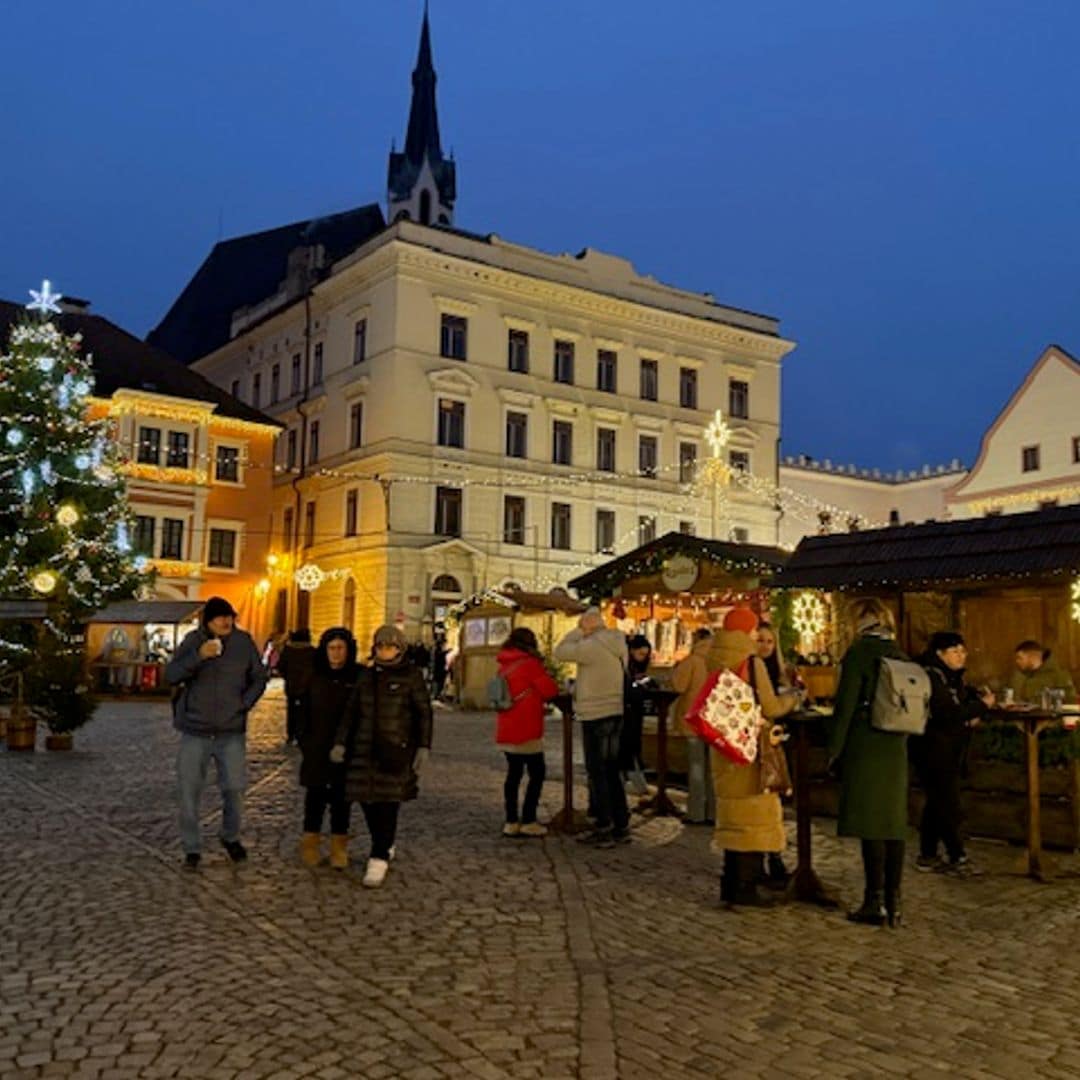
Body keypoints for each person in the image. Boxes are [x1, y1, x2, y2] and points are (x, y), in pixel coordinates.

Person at [165, 596, 268, 870]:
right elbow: (171, 674)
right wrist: (199, 657)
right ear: (207, 621)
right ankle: (192, 848)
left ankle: (230, 836)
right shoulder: (193, 642)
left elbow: (259, 676)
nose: (226, 622)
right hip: (195, 731)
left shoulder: (243, 642)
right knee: (188, 790)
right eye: (220, 618)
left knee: (235, 788)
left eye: (229, 617)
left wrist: (244, 705)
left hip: (230, 731)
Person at [706, 608, 799, 907]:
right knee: (753, 817)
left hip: (725, 746)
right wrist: (793, 699)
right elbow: (770, 706)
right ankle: (748, 886)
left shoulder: (715, 657)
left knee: (734, 816)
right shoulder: (750, 661)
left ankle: (730, 883)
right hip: (750, 749)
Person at [827, 598, 910, 928]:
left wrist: (834, 749)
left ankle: (874, 900)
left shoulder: (860, 654)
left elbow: (845, 705)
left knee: (871, 824)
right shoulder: (900, 654)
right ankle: (895, 900)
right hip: (896, 747)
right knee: (893, 824)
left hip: (867, 744)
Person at [331, 625, 433, 888]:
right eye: (380, 646)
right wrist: (341, 742)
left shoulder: (411, 676)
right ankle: (384, 842)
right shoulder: (367, 676)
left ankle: (378, 856)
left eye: (390, 646)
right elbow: (351, 711)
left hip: (395, 750)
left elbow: (424, 713)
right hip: (363, 750)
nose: (385, 651)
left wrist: (423, 746)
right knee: (367, 801)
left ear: (399, 649)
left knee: (388, 803)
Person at [914, 632, 993, 875]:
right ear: (940, 653)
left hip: (944, 747)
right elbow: (948, 713)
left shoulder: (950, 676)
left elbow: (958, 706)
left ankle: (927, 855)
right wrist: (982, 706)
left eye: (963, 651)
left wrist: (972, 706)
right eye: (955, 651)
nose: (962, 655)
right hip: (932, 747)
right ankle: (956, 855)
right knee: (947, 803)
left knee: (937, 801)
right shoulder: (932, 676)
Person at [554, 608, 631, 848]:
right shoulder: (617, 642)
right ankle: (621, 824)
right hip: (615, 711)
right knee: (611, 770)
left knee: (598, 771)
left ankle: (604, 825)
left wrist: (579, 630)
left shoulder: (592, 646)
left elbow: (560, 651)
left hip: (596, 714)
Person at [298, 627, 360, 869]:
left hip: (346, 748)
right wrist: (304, 740)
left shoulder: (357, 677)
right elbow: (301, 712)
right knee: (315, 797)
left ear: (348, 650)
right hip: (316, 747)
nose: (335, 653)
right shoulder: (313, 677)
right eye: (331, 648)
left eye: (340, 648)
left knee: (341, 799)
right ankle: (310, 844)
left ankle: (338, 847)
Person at [494, 627, 559, 837]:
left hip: (506, 726)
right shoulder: (530, 665)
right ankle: (529, 819)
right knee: (537, 773)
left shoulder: (503, 665)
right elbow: (549, 690)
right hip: (526, 727)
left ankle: (511, 820)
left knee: (513, 774)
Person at [755, 621, 800, 886]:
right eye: (760, 640)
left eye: (769, 641)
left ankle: (773, 856)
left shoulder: (780, 673)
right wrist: (790, 700)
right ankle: (769, 858)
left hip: (776, 742)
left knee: (773, 805)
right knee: (764, 804)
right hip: (760, 743)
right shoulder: (751, 669)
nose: (765, 646)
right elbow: (772, 707)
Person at [672, 627, 715, 824]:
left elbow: (679, 686)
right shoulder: (719, 660)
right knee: (712, 769)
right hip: (714, 719)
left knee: (696, 766)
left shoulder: (692, 661)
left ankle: (696, 812)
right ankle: (713, 812)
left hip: (693, 718)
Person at [621, 635, 654, 797]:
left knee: (631, 748)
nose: (643, 658)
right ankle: (637, 784)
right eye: (640, 654)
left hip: (634, 713)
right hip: (627, 713)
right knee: (628, 749)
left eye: (645, 655)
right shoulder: (625, 668)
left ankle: (635, 782)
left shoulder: (636, 669)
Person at [1005, 640, 1077, 706]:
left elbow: (1070, 703)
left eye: (1020, 658)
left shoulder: (1059, 676)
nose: (1017, 661)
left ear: (1032, 657)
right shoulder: (1018, 677)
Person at [278, 629, 316, 745]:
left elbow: (281, 667)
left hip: (291, 686)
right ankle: (302, 734)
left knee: (291, 710)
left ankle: (291, 734)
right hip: (308, 686)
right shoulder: (313, 652)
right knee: (305, 711)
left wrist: (288, 677)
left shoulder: (288, 651)